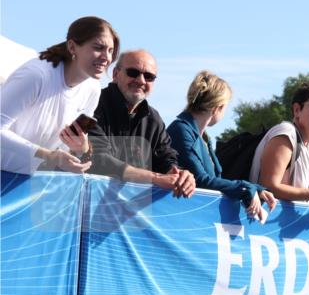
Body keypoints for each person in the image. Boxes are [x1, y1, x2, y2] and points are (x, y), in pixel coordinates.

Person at [1, 16, 119, 174]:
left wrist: (81, 149)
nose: (106, 58)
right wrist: (47, 155)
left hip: (25, 182)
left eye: (110, 51)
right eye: (98, 48)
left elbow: (66, 147)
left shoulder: (93, 88)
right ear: (72, 47)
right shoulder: (36, 75)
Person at [167, 72, 276, 221]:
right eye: (225, 107)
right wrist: (246, 188)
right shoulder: (181, 130)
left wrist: (255, 188)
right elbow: (201, 180)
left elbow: (214, 180)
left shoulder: (202, 137)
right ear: (216, 108)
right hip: (183, 218)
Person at [89, 49, 195, 197]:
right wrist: (155, 178)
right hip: (85, 207)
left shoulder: (154, 119)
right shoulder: (92, 104)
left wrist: (179, 175)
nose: (141, 80)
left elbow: (166, 159)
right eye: (133, 72)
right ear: (115, 74)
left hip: (131, 215)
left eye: (149, 76)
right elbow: (97, 159)